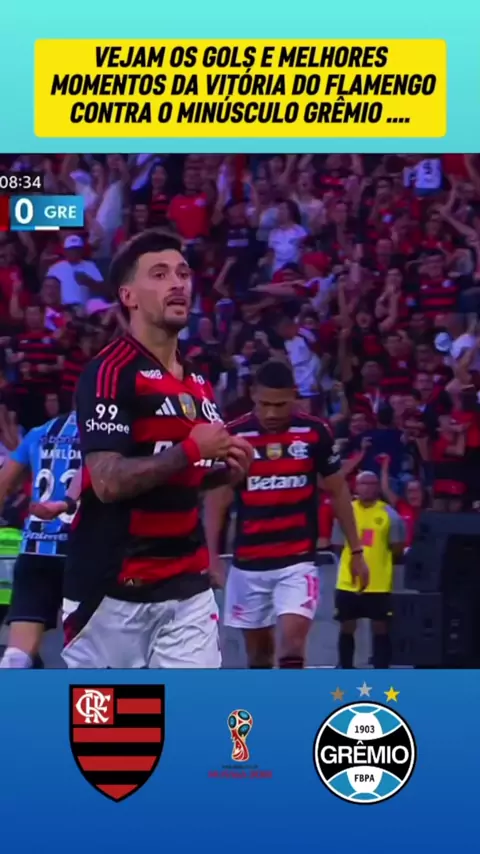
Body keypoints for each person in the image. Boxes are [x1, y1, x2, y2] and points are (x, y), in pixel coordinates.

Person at [63, 228, 252, 669]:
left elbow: (179, 478)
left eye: (183, 274)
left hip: (187, 587)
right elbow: (107, 482)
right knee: (117, 719)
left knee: (190, 713)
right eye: (160, 274)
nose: (178, 284)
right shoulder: (109, 372)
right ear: (128, 295)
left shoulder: (198, 379)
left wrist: (224, 472)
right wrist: (190, 450)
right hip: (111, 591)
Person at [205, 359, 367, 669]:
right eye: (264, 404)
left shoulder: (315, 432)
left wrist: (356, 550)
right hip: (248, 564)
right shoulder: (234, 436)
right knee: (259, 655)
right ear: (253, 394)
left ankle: (292, 699)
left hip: (297, 562)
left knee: (293, 644)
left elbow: (339, 492)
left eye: (280, 405)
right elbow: (217, 500)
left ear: (294, 395)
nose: (271, 413)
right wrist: (211, 556)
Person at [0, 411, 80, 668]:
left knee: (17, 653)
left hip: (36, 548)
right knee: (90, 651)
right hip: (82, 553)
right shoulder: (108, 433)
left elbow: (3, 483)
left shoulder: (40, 431)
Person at [332, 471, 406, 669]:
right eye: (363, 484)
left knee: (381, 627)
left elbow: (397, 547)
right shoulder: (346, 512)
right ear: (356, 487)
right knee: (347, 626)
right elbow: (338, 545)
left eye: (371, 484)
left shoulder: (389, 514)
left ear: (378, 487)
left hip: (378, 582)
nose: (367, 488)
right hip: (348, 581)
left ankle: (381, 670)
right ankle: (346, 667)